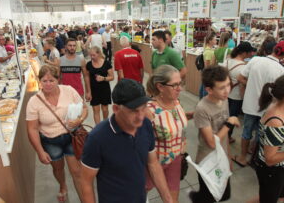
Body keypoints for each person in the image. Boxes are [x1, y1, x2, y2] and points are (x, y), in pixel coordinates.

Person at [80, 78, 173, 203]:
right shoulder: (97, 138)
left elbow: (153, 163)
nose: (141, 116)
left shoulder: (145, 124)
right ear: (116, 109)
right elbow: (86, 182)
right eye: (134, 111)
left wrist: (168, 199)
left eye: (144, 108)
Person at [26, 65, 88, 202]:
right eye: (44, 81)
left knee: (77, 172)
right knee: (58, 169)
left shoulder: (69, 91)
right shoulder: (34, 102)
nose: (48, 84)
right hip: (51, 141)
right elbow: (32, 129)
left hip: (71, 137)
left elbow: (84, 108)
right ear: (39, 81)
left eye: (51, 80)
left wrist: (80, 119)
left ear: (58, 79)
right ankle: (63, 185)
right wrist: (40, 151)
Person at [233, 41, 284, 167]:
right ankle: (255, 158)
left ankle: (242, 157)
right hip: (267, 109)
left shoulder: (255, 60)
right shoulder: (281, 71)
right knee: (260, 135)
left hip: (249, 104)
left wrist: (251, 84)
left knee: (246, 132)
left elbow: (240, 77)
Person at [189, 65, 240, 203]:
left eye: (228, 85)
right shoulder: (202, 108)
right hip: (207, 160)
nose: (227, 90)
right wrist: (229, 123)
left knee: (223, 195)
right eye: (222, 87)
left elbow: (224, 136)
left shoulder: (224, 100)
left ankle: (197, 197)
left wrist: (228, 157)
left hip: (221, 157)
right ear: (209, 90)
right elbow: (211, 142)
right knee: (210, 197)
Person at [146, 65, 188, 203]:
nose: (179, 88)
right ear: (160, 87)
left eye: (180, 83)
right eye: (175, 85)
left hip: (175, 159)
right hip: (153, 164)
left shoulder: (176, 102)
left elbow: (176, 123)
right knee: (139, 194)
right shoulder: (149, 111)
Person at [247, 75, 284, 203]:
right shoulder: (276, 121)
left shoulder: (282, 107)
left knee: (280, 197)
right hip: (273, 171)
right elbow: (270, 159)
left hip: (283, 167)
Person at [227, 42, 253, 143]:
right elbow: (242, 85)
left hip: (225, 93)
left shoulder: (228, 61)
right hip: (236, 96)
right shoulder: (244, 67)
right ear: (243, 53)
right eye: (249, 52)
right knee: (232, 117)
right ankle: (227, 137)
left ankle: (222, 135)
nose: (251, 53)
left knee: (224, 116)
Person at [86, 46, 114, 124]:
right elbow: (87, 78)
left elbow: (112, 77)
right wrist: (88, 91)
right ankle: (98, 128)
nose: (91, 57)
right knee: (96, 110)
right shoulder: (88, 64)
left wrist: (104, 78)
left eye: (93, 55)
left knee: (105, 109)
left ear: (98, 54)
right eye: (90, 55)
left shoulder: (106, 63)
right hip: (94, 90)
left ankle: (105, 124)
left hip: (104, 89)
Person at [199, 32, 217, 98]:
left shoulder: (208, 49)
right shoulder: (209, 52)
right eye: (214, 39)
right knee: (206, 90)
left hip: (206, 72)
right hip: (208, 73)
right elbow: (207, 65)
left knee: (203, 87)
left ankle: (202, 101)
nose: (216, 41)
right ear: (210, 41)